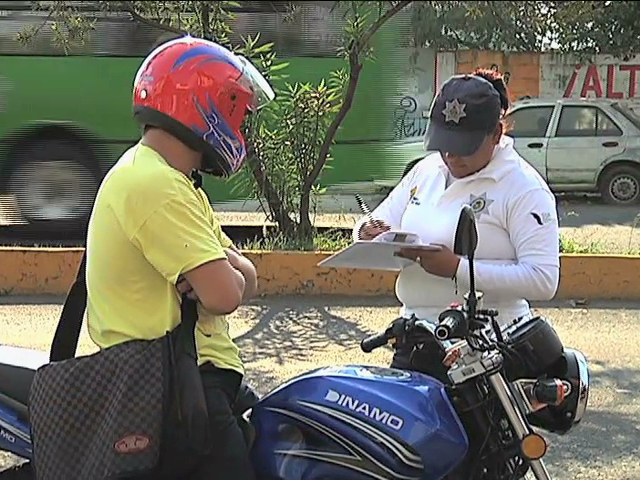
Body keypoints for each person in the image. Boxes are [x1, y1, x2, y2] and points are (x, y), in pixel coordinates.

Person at [84, 36, 275, 479]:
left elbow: (242, 277)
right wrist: (228, 271)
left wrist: (227, 269)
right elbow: (227, 293)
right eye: (238, 113)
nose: (241, 126)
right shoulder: (158, 187)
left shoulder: (171, 180)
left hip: (183, 383)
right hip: (175, 391)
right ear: (209, 108)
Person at [353, 69, 560, 360]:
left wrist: (456, 268)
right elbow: (378, 219)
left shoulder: (523, 188)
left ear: (496, 135)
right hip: (416, 337)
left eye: (463, 147)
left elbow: (543, 279)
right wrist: (365, 230)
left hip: (489, 349)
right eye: (444, 145)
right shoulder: (425, 171)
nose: (451, 157)